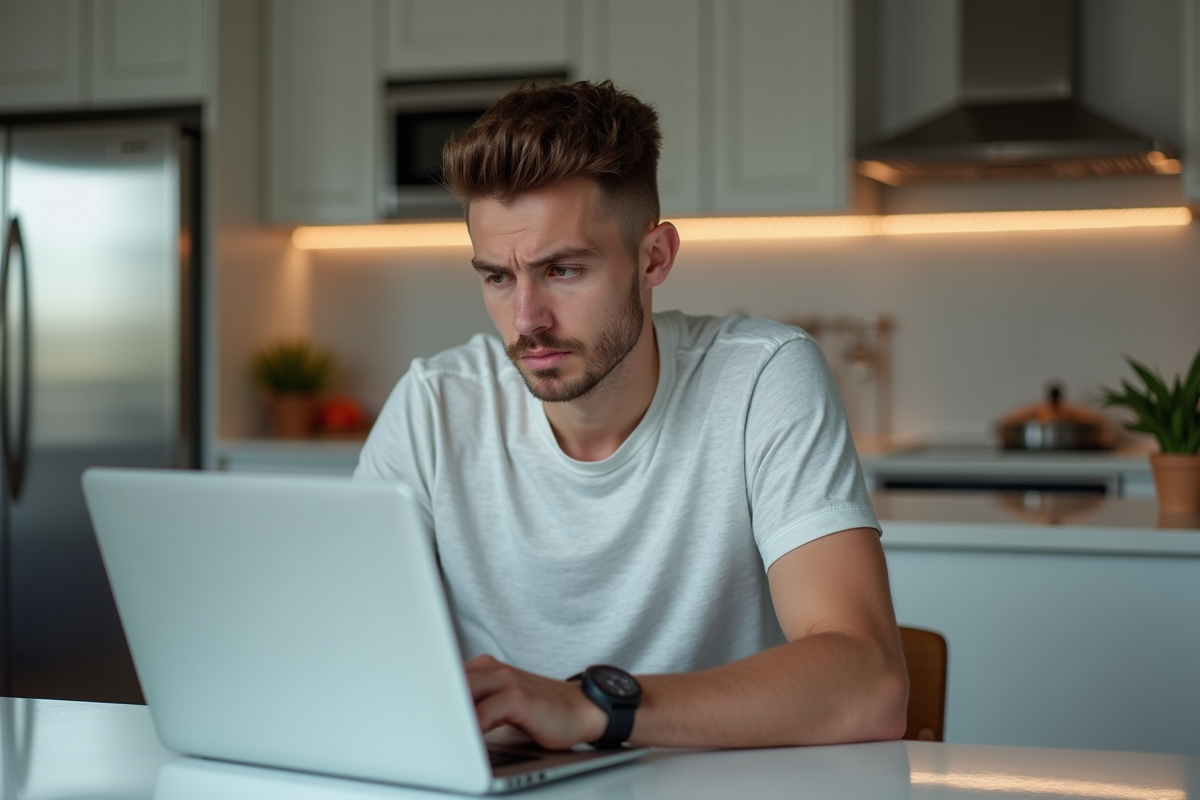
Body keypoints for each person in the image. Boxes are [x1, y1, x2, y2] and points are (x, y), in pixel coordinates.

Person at [355, 80, 908, 750]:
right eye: (497, 277)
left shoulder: (761, 377)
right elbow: (347, 645)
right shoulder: (435, 404)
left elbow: (871, 684)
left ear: (654, 258)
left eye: (562, 271)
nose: (527, 320)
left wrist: (591, 708)